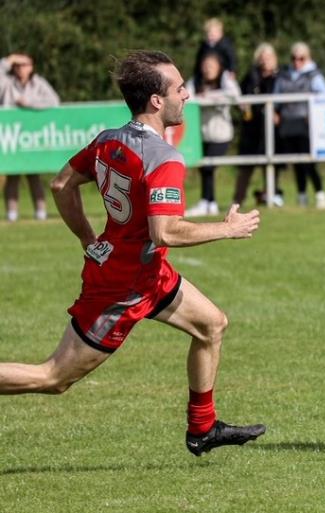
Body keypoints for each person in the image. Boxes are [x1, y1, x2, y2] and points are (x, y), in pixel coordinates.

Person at [0, 50, 266, 456]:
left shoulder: (110, 140)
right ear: (157, 101)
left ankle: (202, 429)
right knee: (54, 377)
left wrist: (89, 240)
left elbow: (61, 185)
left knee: (212, 325)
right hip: (121, 289)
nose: (187, 95)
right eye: (179, 88)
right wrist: (227, 229)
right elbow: (165, 232)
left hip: (146, 274)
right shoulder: (164, 159)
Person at [0, 53, 60, 222]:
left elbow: (54, 101)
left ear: (31, 66)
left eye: (24, 64)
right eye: (17, 65)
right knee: (13, 175)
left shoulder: (38, 83)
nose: (21, 68)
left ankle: (40, 212)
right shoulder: (6, 83)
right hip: (11, 136)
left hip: (31, 136)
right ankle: (12, 214)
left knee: (34, 175)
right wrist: (9, 59)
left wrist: (29, 103)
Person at [273, 42, 325, 209]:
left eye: (301, 58)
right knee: (296, 161)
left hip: (307, 123)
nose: (297, 62)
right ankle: (302, 194)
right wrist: (276, 113)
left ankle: (320, 193)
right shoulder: (284, 76)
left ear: (308, 58)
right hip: (288, 122)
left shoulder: (314, 75)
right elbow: (276, 97)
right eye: (294, 58)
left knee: (309, 160)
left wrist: (313, 113)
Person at [185, 51, 241, 217]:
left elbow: (235, 95)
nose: (207, 69)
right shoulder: (195, 81)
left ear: (219, 67)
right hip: (202, 133)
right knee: (204, 168)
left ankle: (207, 202)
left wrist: (209, 96)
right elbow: (187, 98)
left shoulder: (225, 79)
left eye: (211, 66)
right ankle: (209, 203)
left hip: (221, 133)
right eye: (205, 65)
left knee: (208, 167)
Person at [234, 43, 285, 208]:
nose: (265, 61)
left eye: (268, 57)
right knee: (246, 166)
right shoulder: (251, 76)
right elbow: (239, 95)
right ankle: (237, 201)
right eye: (262, 58)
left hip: (272, 128)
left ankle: (270, 196)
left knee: (271, 164)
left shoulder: (281, 77)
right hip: (252, 127)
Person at [193, 17, 237, 84]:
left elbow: (232, 58)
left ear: (220, 33)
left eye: (213, 33)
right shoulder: (204, 46)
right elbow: (199, 61)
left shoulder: (225, 44)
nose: (210, 36)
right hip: (206, 73)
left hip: (223, 72)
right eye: (208, 34)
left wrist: (232, 70)